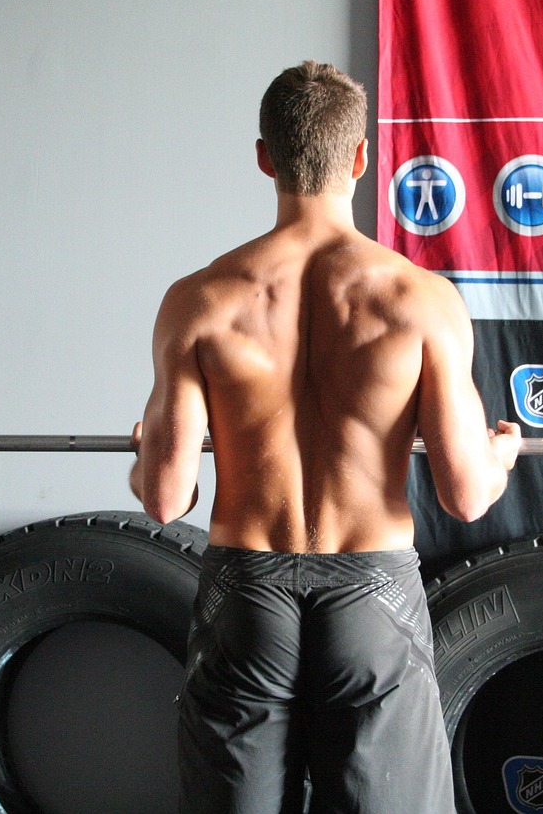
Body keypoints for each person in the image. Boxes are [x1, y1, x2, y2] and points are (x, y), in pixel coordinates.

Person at [129, 60, 520, 814]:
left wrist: (144, 453)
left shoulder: (198, 301)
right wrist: (499, 453)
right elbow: (467, 494)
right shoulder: (422, 300)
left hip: (247, 590)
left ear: (265, 157)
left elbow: (166, 499)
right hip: (372, 591)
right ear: (361, 157)